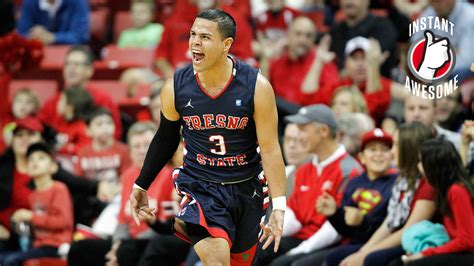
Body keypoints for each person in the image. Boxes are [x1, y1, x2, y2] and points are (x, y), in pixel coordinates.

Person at [130, 9, 287, 265]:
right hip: (201, 186)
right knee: (216, 260)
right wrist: (141, 184)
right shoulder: (175, 86)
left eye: (204, 37)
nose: (194, 42)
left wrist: (278, 206)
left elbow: (270, 149)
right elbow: (166, 138)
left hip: (246, 188)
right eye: (192, 35)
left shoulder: (256, 87)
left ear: (227, 44)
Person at [254, 104, 363, 265]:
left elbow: (335, 230)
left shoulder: (349, 170)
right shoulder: (306, 168)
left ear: (324, 131)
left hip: (334, 243)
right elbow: (295, 215)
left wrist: (299, 251)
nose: (299, 136)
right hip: (303, 237)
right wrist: (271, 231)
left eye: (303, 129)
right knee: (258, 249)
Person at [279, 128, 397, 266]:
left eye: (384, 149)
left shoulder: (397, 183)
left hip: (377, 244)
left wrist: (363, 221)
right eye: (373, 149)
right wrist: (334, 213)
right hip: (348, 243)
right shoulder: (355, 182)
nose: (379, 154)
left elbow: (393, 224)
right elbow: (344, 229)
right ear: (362, 157)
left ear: (391, 155)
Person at [339, 122, 436, 266]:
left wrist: (366, 254)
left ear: (409, 149)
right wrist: (362, 252)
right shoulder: (403, 179)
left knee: (372, 259)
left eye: (395, 145)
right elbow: (389, 224)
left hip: (419, 243)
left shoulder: (428, 182)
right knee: (338, 257)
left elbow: (409, 230)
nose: (391, 152)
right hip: (400, 238)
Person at [400, 138, 474, 265]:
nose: (418, 166)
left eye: (421, 161)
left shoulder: (457, 190)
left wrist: (426, 253)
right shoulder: (444, 189)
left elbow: (467, 240)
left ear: (433, 165)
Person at [0, 143, 74, 266]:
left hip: (56, 246)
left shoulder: (59, 188)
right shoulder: (32, 195)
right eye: (31, 159)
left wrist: (31, 217)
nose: (35, 161)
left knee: (10, 260)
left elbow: (64, 221)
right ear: (27, 169)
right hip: (37, 245)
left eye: (41, 158)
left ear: (53, 167)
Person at [38, 46, 122, 139]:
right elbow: (40, 130)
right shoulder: (52, 102)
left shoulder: (103, 99)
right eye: (68, 64)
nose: (71, 68)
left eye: (77, 64)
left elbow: (115, 133)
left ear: (90, 70)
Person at [75, 108, 131, 183]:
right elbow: (79, 181)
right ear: (88, 130)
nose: (105, 128)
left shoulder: (124, 150)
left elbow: (128, 179)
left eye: (109, 123)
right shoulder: (82, 153)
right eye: (99, 124)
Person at [17, 0, 90, 45]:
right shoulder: (30, 2)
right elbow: (21, 35)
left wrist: (53, 37)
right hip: (39, 53)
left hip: (69, 54)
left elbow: (80, 37)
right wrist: (34, 36)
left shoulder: (78, 1)